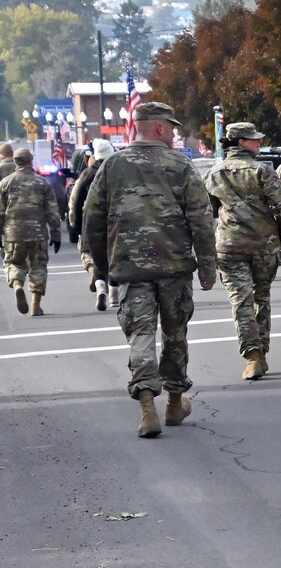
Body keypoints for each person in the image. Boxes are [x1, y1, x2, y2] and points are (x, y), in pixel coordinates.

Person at [81, 102, 216, 436]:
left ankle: (147, 409)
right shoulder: (180, 165)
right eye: (171, 127)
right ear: (158, 128)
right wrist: (208, 268)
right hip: (174, 266)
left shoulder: (112, 165)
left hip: (130, 268)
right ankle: (173, 402)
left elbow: (92, 219)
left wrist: (102, 265)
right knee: (175, 333)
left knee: (140, 336)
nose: (173, 133)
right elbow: (201, 219)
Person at [205, 122, 281, 380]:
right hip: (262, 245)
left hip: (229, 245)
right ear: (241, 142)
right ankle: (260, 352)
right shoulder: (261, 171)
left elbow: (206, 211)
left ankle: (252, 355)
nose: (259, 143)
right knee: (261, 297)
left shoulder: (214, 174)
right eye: (254, 140)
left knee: (240, 300)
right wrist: (279, 230)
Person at [2, 146, 62, 316]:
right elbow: (52, 211)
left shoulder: (5, 183)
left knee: (13, 263)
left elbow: (0, 212)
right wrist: (56, 234)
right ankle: (35, 304)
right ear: (30, 161)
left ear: (15, 162)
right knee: (38, 266)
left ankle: (17, 285)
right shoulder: (42, 183)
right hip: (38, 233)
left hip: (13, 234)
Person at [67, 140, 115, 310]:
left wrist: (76, 225)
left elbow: (75, 200)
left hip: (91, 222)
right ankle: (114, 291)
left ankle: (100, 286)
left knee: (91, 255)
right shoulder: (118, 173)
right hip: (115, 223)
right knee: (115, 256)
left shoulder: (87, 175)